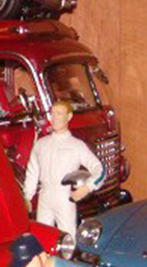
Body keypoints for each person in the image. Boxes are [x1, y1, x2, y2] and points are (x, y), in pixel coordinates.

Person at [22, 101, 104, 238]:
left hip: (64, 197)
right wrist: (27, 197)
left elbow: (99, 170)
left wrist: (87, 187)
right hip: (45, 196)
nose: (54, 118)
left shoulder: (76, 145)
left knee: (68, 237)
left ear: (69, 116)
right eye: (52, 114)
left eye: (59, 114)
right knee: (42, 236)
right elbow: (32, 172)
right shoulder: (41, 144)